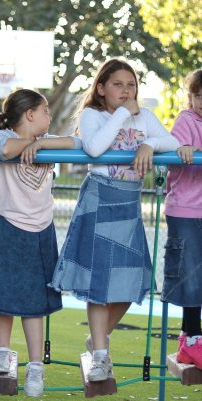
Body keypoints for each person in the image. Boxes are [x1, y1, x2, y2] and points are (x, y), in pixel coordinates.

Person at [49, 58, 181, 382]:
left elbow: (174, 144)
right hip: (100, 199)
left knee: (134, 280)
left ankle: (98, 337)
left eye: (131, 85)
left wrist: (149, 141)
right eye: (118, 84)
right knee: (99, 285)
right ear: (101, 88)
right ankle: (101, 356)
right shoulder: (93, 115)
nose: (125, 91)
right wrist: (124, 113)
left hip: (128, 205)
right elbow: (94, 148)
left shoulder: (145, 117)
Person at [0, 89, 82, 397]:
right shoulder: (2, 135)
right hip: (6, 225)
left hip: (40, 229)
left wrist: (41, 143)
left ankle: (35, 366)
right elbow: (3, 150)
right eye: (45, 111)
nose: (49, 117)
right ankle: (3, 353)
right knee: (3, 295)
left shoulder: (46, 142)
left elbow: (78, 143)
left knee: (34, 304)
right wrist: (32, 145)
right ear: (30, 114)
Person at [161, 68, 202, 368]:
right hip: (186, 209)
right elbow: (173, 148)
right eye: (198, 96)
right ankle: (191, 337)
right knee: (189, 273)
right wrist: (183, 149)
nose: (201, 102)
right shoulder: (187, 120)